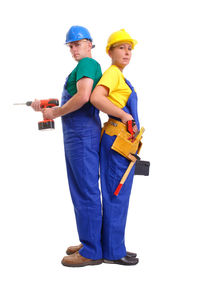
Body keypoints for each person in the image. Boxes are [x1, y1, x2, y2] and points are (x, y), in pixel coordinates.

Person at [31, 26, 104, 267]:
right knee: (81, 190)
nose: (73, 49)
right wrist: (48, 106)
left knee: (86, 191)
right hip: (77, 135)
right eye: (70, 46)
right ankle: (89, 241)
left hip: (82, 135)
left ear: (90, 44)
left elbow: (83, 98)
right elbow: (74, 97)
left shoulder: (87, 65)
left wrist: (57, 112)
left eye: (78, 44)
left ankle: (92, 251)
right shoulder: (81, 67)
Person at [90, 29, 140, 265]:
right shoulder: (112, 73)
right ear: (109, 51)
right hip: (115, 141)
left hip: (122, 141)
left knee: (118, 193)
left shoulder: (119, 76)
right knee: (116, 194)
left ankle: (114, 246)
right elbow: (96, 98)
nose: (127, 52)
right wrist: (124, 115)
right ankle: (112, 252)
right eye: (121, 47)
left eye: (129, 48)